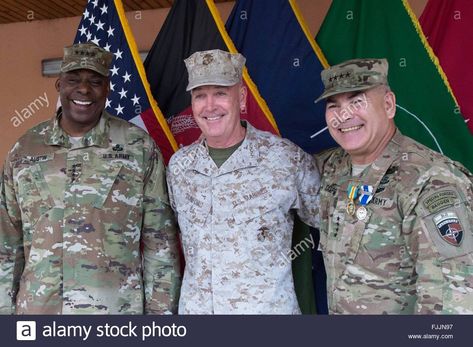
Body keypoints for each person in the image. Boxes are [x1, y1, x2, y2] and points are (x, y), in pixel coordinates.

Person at [0, 42, 181, 314]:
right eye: (73, 79)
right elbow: (7, 243)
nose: (83, 89)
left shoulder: (138, 147)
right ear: (59, 85)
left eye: (95, 81)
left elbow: (160, 245)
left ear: (107, 89)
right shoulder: (25, 149)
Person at [166, 49, 320, 314]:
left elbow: (335, 224)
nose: (210, 105)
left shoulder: (285, 159)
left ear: (241, 98)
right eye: (200, 95)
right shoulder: (180, 167)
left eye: (221, 93)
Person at [314, 58, 473, 314]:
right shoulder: (335, 168)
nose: (344, 115)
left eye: (357, 102)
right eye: (334, 106)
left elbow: (453, 297)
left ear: (388, 105)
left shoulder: (431, 180)